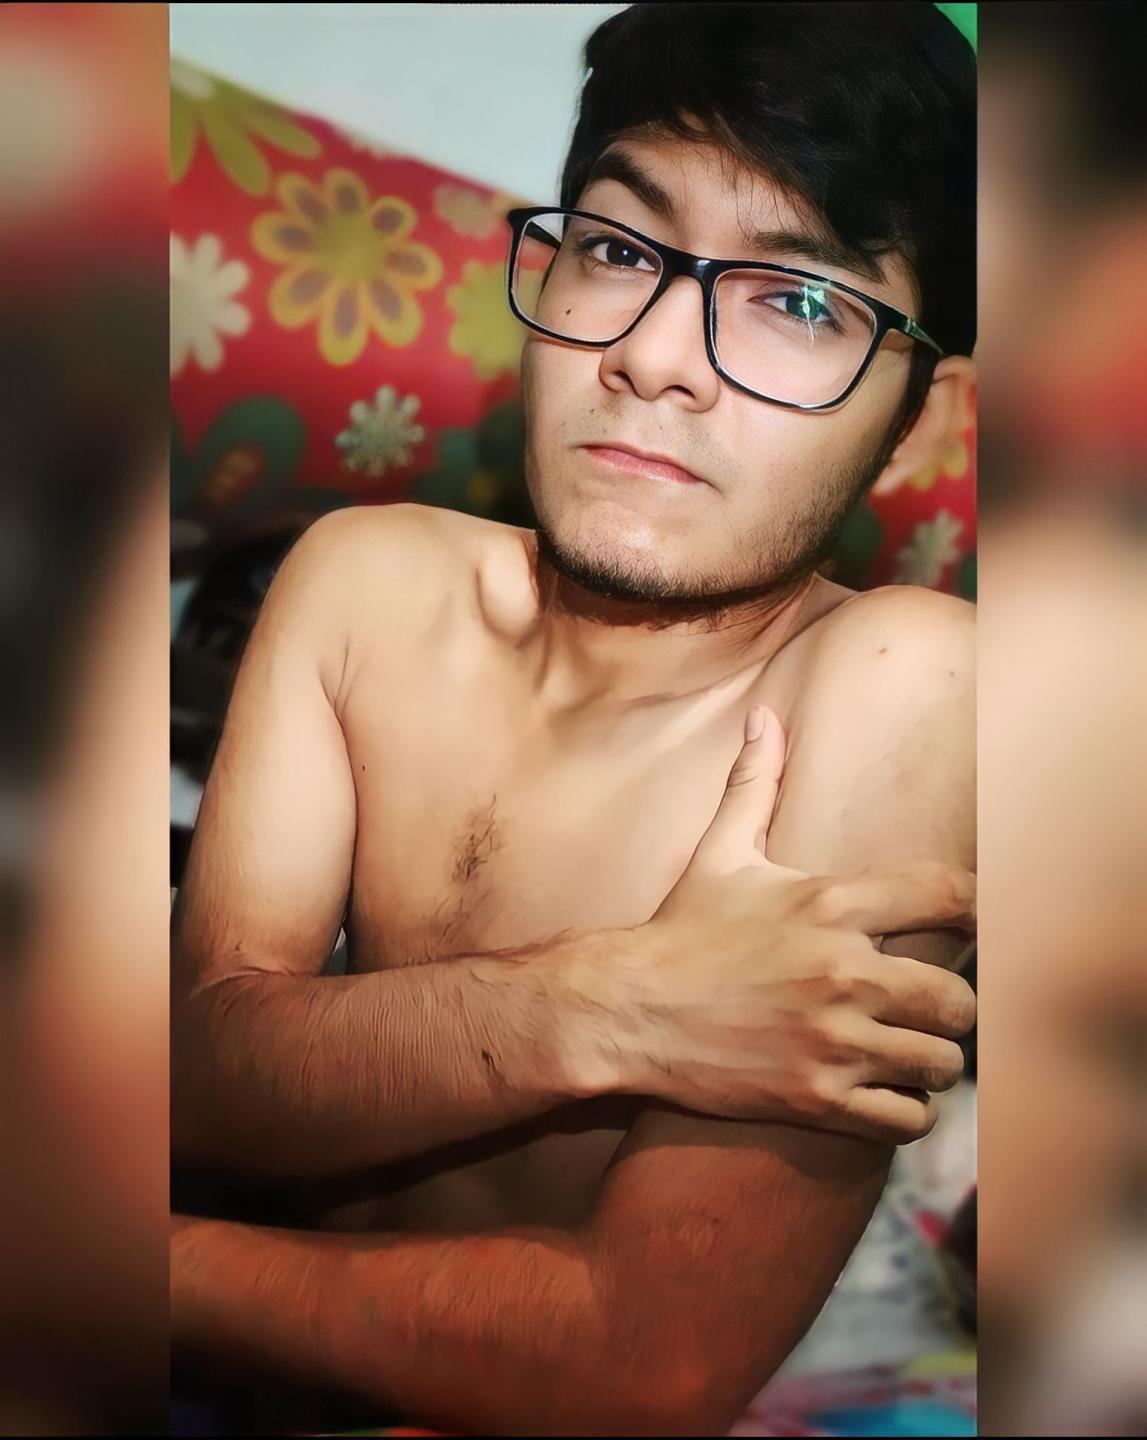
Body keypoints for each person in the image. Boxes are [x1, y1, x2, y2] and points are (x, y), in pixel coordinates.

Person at [171, 4, 977, 1432]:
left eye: (800, 303)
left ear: (922, 414)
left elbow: (640, 1369)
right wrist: (614, 1004)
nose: (657, 357)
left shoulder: (912, 682)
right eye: (618, 247)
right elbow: (199, 1080)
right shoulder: (364, 580)